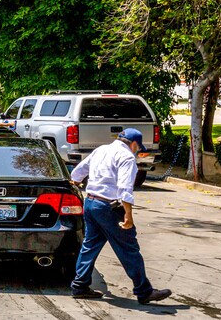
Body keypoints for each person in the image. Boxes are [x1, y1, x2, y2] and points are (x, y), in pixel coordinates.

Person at [70, 128, 171, 305]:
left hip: (91, 203)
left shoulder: (101, 149)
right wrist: (128, 216)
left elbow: (78, 172)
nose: (137, 151)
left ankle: (79, 286)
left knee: (90, 245)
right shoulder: (127, 157)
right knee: (129, 249)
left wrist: (78, 182)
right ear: (134, 144)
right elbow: (125, 190)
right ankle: (144, 291)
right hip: (109, 207)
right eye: (137, 148)